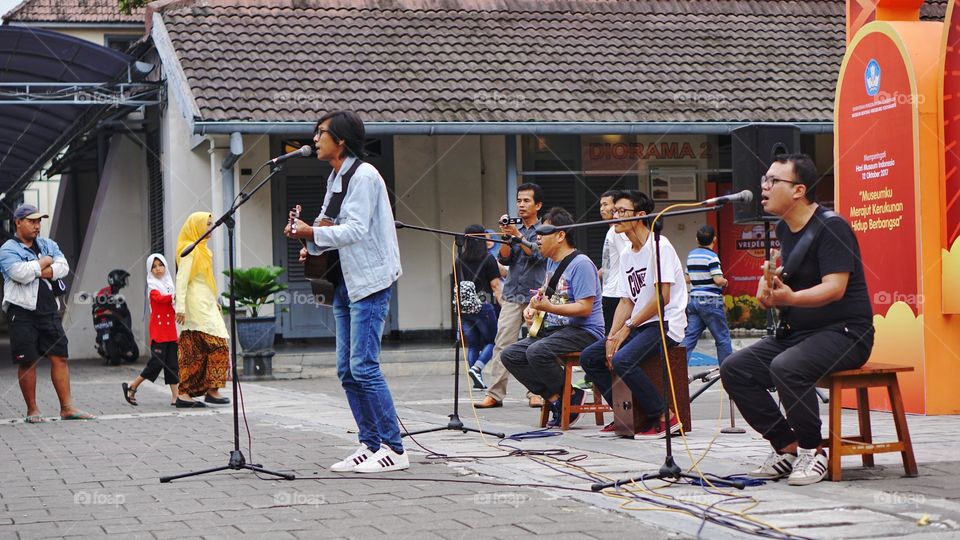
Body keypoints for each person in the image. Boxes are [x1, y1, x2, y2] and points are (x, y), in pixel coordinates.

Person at [719, 154, 874, 486]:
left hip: (846, 333)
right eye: (765, 179)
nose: (764, 186)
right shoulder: (784, 229)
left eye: (774, 181)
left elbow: (835, 288)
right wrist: (770, 293)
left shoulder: (832, 227)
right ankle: (785, 446)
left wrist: (789, 298)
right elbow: (786, 286)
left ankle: (812, 449)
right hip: (799, 333)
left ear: (799, 190)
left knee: (787, 366)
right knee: (735, 368)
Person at [285, 109, 407, 473]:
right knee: (346, 370)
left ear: (340, 140)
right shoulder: (335, 177)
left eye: (320, 133)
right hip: (343, 281)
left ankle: (395, 448)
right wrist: (310, 241)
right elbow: (328, 225)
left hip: (369, 281)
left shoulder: (365, 175)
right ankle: (370, 444)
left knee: (364, 367)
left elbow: (354, 230)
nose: (314, 140)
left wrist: (313, 233)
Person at [579, 190, 687, 438]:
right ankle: (626, 415)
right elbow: (627, 300)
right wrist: (612, 336)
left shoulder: (660, 246)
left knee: (622, 360)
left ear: (640, 215)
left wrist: (627, 328)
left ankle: (664, 416)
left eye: (621, 211)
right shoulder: (627, 253)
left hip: (665, 322)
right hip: (640, 323)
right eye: (614, 211)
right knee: (591, 357)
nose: (614, 215)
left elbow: (662, 298)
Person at [500, 208, 604, 427]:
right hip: (556, 330)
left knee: (536, 351)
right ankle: (561, 398)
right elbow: (545, 293)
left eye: (543, 233)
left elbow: (585, 308)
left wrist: (549, 307)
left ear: (560, 235)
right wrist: (533, 307)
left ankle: (567, 397)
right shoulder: (551, 262)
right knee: (510, 354)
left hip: (584, 332)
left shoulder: (581, 264)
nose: (537, 238)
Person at [0, 204, 95, 422]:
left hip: (48, 310)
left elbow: (63, 267)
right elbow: (19, 274)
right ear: (18, 222)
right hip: (21, 311)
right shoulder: (8, 249)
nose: (37, 226)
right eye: (32, 221)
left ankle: (67, 408)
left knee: (60, 356)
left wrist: (38, 269)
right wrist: (44, 262)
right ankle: (32, 410)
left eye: (39, 221)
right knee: (28, 361)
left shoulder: (47, 243)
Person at [473, 183, 548, 410]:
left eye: (526, 201)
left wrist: (518, 237)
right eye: (519, 201)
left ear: (538, 205)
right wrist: (507, 238)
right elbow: (505, 259)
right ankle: (495, 394)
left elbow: (538, 254)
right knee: (502, 343)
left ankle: (537, 392)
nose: (521, 205)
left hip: (537, 295)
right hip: (513, 294)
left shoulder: (545, 229)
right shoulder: (513, 229)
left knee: (537, 343)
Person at [175, 212, 230, 408]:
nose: (211, 227)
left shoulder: (203, 250)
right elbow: (182, 280)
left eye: (211, 223)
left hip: (206, 304)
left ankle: (212, 390)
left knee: (217, 346)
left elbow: (205, 281)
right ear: (196, 227)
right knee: (197, 349)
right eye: (207, 224)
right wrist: (179, 307)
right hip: (194, 306)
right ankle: (184, 394)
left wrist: (213, 300)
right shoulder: (190, 250)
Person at [123, 254, 179, 406]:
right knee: (157, 363)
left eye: (160, 265)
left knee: (172, 364)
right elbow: (160, 299)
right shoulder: (153, 287)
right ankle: (133, 385)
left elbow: (174, 306)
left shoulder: (170, 285)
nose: (158, 269)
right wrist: (175, 296)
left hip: (171, 332)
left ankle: (175, 397)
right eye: (154, 266)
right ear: (150, 270)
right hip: (159, 331)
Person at [455, 224, 502, 389]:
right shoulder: (488, 258)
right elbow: (496, 286)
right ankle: (477, 368)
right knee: (493, 341)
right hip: (485, 305)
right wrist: (504, 306)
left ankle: (476, 378)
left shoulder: (459, 259)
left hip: (465, 307)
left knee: (473, 344)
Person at [680, 224, 733, 364]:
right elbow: (717, 279)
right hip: (711, 301)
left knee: (690, 337)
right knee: (722, 338)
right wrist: (725, 282)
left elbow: (686, 278)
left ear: (697, 240)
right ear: (714, 239)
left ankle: (676, 369)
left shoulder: (691, 255)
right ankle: (728, 370)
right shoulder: (712, 257)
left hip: (694, 300)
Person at [599, 190, 629, 334]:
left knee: (611, 335)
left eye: (606, 204)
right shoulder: (612, 231)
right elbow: (608, 264)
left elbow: (627, 257)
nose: (602, 209)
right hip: (609, 291)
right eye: (600, 205)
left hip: (617, 294)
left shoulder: (617, 231)